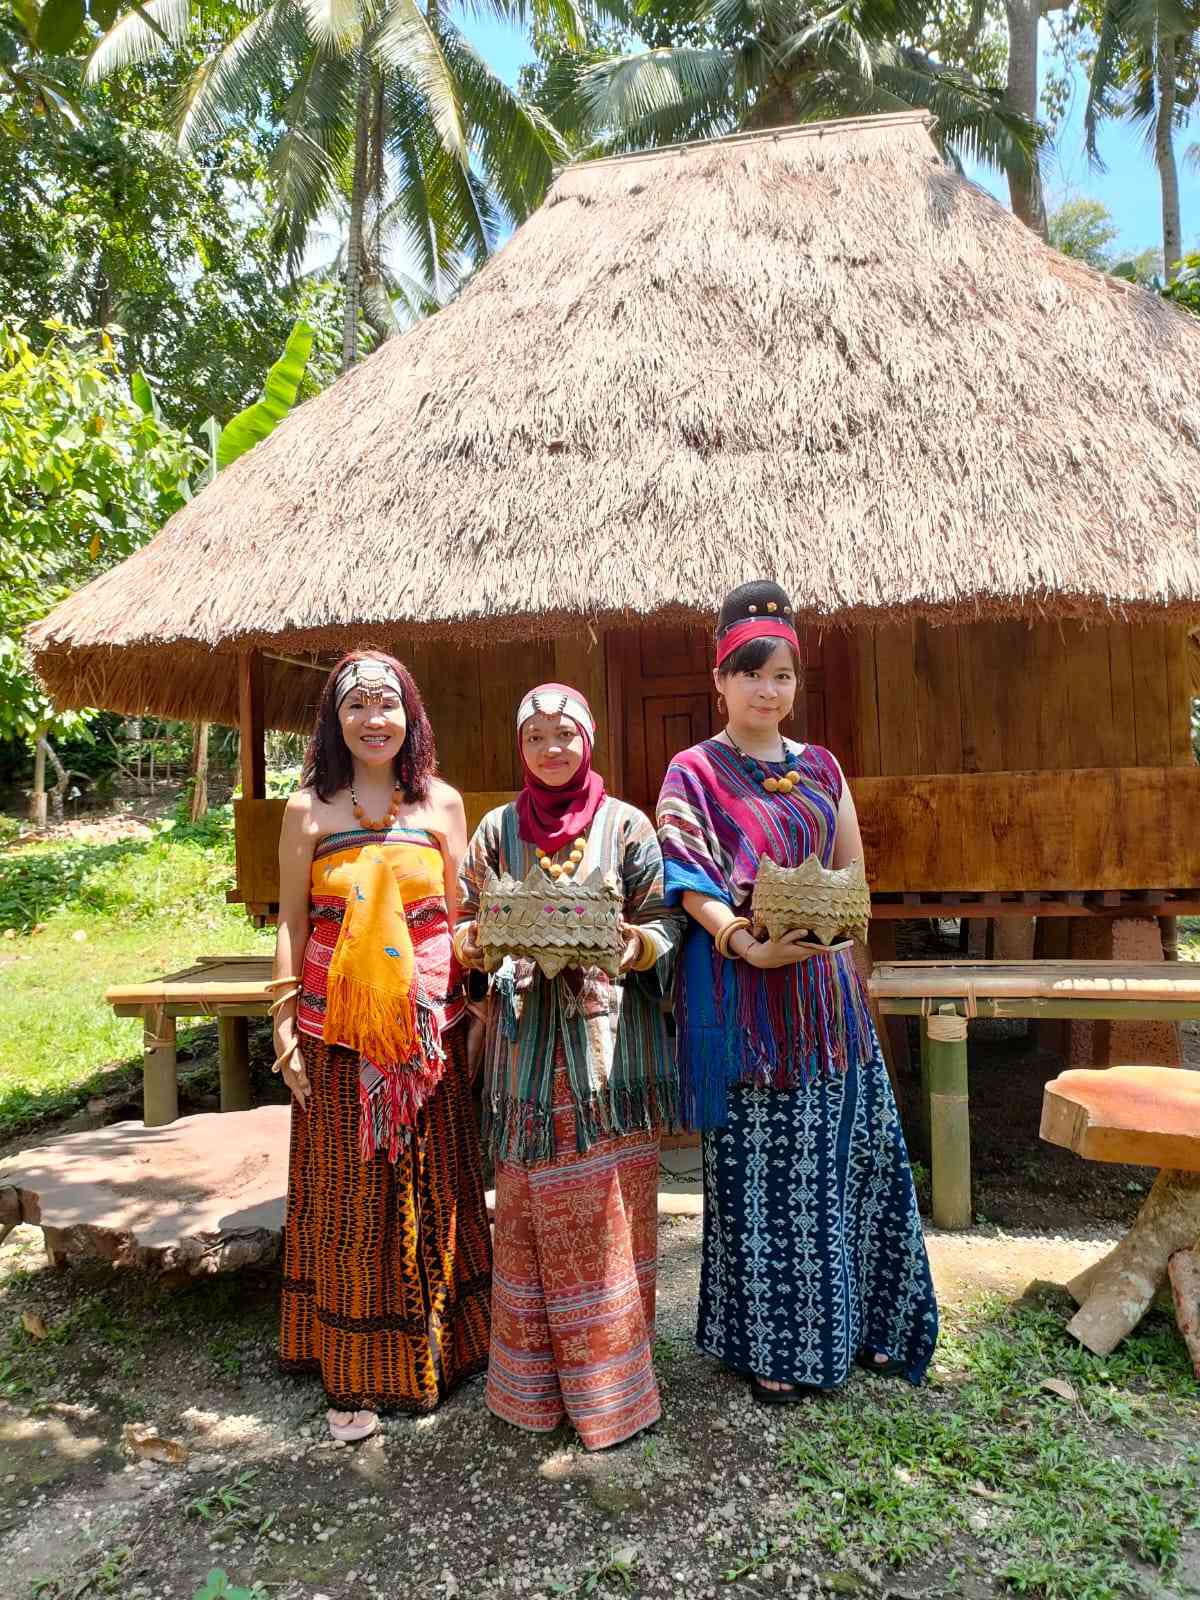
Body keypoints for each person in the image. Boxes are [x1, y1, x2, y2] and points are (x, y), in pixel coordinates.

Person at [656, 583, 937, 1403]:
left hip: (829, 999)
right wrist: (745, 941)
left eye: (780, 675)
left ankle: (874, 1325)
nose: (766, 690)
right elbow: (687, 876)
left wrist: (839, 930)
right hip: (753, 998)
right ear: (720, 681)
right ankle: (772, 1344)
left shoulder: (822, 767)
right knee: (766, 1177)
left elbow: (853, 872)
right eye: (750, 674)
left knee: (857, 1162)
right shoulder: (695, 770)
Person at [271, 650, 492, 1442]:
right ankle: (355, 1370)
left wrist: (481, 1009)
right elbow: (294, 922)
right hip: (336, 1028)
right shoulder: (309, 810)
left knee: (439, 1181)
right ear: (335, 719)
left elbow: (465, 918)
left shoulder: (442, 806)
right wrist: (282, 1020)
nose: (374, 719)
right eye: (357, 705)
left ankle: (451, 1349)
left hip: (432, 1023)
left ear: (412, 716)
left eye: (387, 704)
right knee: (351, 1190)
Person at [455, 683, 683, 1449]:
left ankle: (613, 1394)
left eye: (565, 735)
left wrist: (633, 945)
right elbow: (464, 922)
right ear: (520, 750)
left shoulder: (628, 827)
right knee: (526, 1214)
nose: (552, 750)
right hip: (526, 1059)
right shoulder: (494, 832)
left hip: (607, 1059)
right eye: (536, 739)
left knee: (610, 1216)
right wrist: (476, 945)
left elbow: (666, 921)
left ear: (589, 740)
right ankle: (532, 1392)